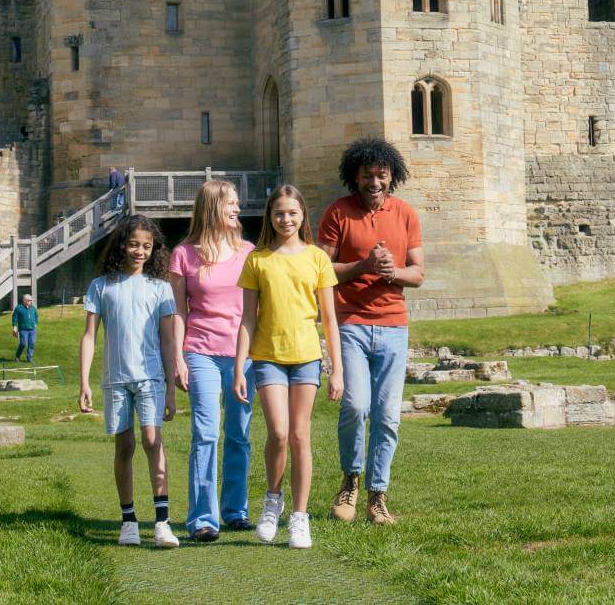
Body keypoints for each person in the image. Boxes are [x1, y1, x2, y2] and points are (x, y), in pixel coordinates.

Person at [320, 138, 424, 526]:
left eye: (382, 174)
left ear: (392, 175)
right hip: (351, 323)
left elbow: (418, 273)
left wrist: (391, 272)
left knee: (387, 417)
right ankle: (350, 480)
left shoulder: (406, 214)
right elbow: (322, 269)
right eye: (367, 175)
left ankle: (377, 496)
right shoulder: (338, 213)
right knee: (356, 405)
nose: (375, 182)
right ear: (355, 177)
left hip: (394, 326)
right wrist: (363, 265)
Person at [232, 185, 342, 549]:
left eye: (292, 213)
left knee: (300, 435)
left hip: (307, 357)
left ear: (302, 216)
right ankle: (271, 501)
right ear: (270, 216)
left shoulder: (317, 259)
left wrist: (336, 369)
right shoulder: (257, 260)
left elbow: (329, 319)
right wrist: (238, 367)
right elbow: (247, 319)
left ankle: (299, 516)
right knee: (278, 433)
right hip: (268, 357)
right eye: (279, 213)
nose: (286, 219)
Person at [79, 214, 181, 548]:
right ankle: (128, 521)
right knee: (124, 446)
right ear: (122, 244)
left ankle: (162, 521)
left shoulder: (160, 288)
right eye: (134, 244)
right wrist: (84, 382)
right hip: (116, 381)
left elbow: (168, 340)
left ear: (154, 250)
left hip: (150, 377)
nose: (139, 251)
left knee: (152, 440)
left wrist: (170, 388)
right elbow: (90, 336)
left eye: (147, 246)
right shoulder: (102, 285)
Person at [166, 180, 256, 542]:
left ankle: (235, 510)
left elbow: (256, 310)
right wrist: (178, 360)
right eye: (231, 204)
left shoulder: (249, 252)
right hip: (200, 352)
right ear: (213, 208)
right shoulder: (183, 254)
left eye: (237, 203)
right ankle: (203, 517)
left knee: (239, 434)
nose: (237, 208)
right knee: (205, 433)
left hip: (241, 355)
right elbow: (177, 313)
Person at [11, 293, 38, 363]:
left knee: (32, 343)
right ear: (25, 301)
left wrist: (35, 323)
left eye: (31, 300)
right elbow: (14, 317)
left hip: (32, 329)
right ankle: (17, 356)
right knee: (23, 343)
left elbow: (36, 316)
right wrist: (14, 326)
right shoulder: (19, 308)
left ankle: (29, 358)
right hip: (23, 329)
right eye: (29, 300)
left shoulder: (33, 308)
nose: (31, 302)